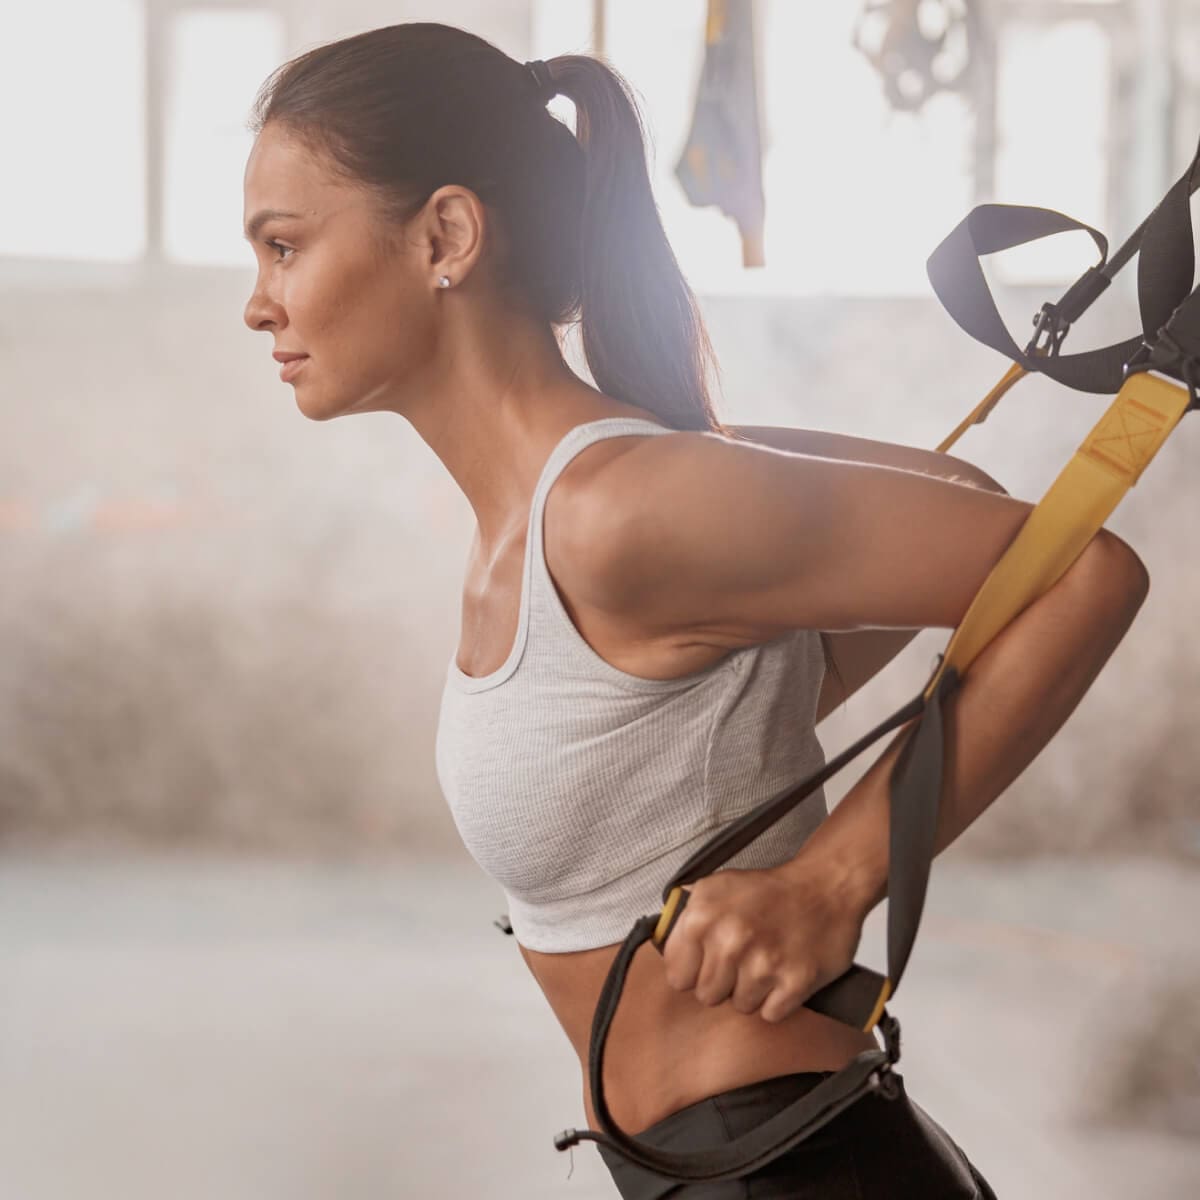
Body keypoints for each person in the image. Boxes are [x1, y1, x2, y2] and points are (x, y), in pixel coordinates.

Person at [241, 21, 1148, 1198]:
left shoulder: (618, 513)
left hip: (792, 1169)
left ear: (446, 236)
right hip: (715, 1166)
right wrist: (706, 466)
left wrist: (832, 882)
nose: (258, 304)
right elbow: (957, 503)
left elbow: (1081, 570)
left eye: (283, 246)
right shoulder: (586, 508)